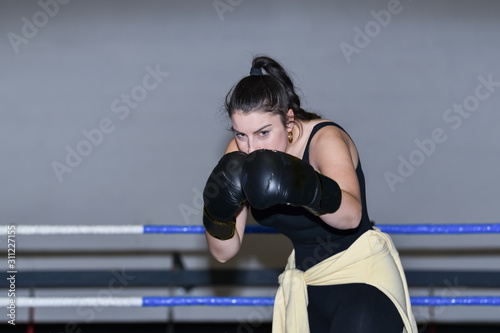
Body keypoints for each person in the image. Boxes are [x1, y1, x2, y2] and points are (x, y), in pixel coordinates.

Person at [202, 55, 417, 333]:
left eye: (263, 132)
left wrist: (301, 185)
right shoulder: (238, 153)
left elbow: (352, 216)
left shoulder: (324, 139)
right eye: (241, 134)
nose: (251, 147)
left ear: (288, 121)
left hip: (361, 281)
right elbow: (224, 252)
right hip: (309, 285)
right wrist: (217, 212)